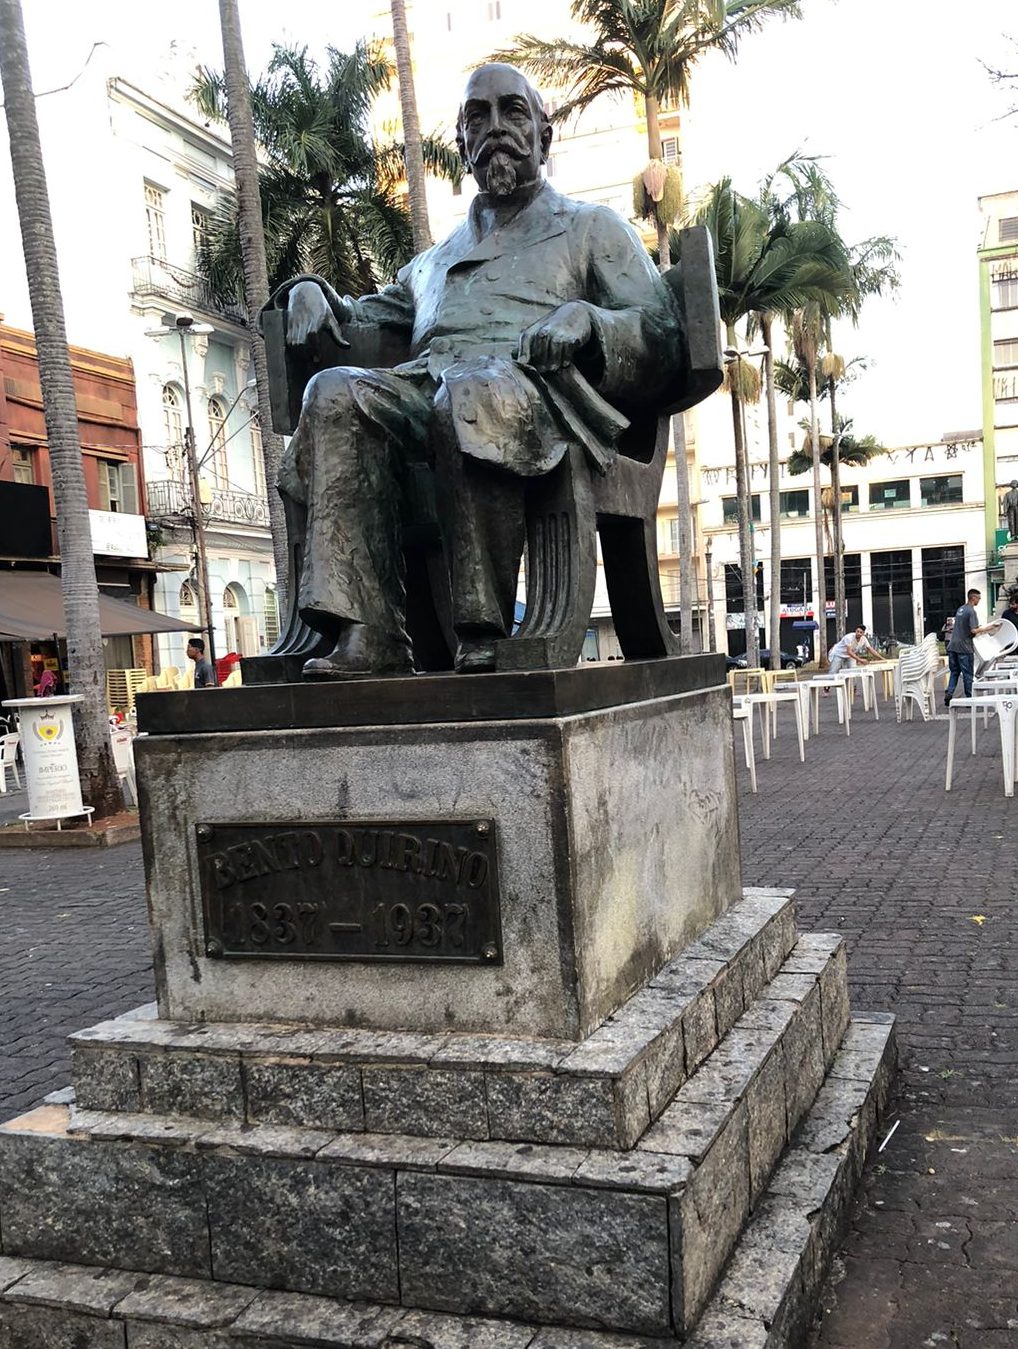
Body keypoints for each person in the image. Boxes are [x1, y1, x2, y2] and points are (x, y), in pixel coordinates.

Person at [264, 63, 685, 678]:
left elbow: (662, 331)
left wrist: (589, 321)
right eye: (476, 118)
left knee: (464, 396)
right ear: (462, 143)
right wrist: (306, 290)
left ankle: (482, 629)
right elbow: (356, 318)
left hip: (537, 396)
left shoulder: (593, 229)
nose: (495, 128)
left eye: (512, 112)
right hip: (431, 390)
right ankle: (369, 637)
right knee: (334, 394)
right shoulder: (431, 265)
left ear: (544, 135)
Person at [944, 589, 999, 705]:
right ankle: (970, 700)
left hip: (952, 646)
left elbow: (965, 627)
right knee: (967, 674)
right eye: (978, 598)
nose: (979, 600)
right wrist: (990, 627)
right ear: (973, 598)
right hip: (964, 647)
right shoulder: (971, 611)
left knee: (954, 672)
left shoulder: (961, 609)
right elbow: (973, 630)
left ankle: (949, 693)